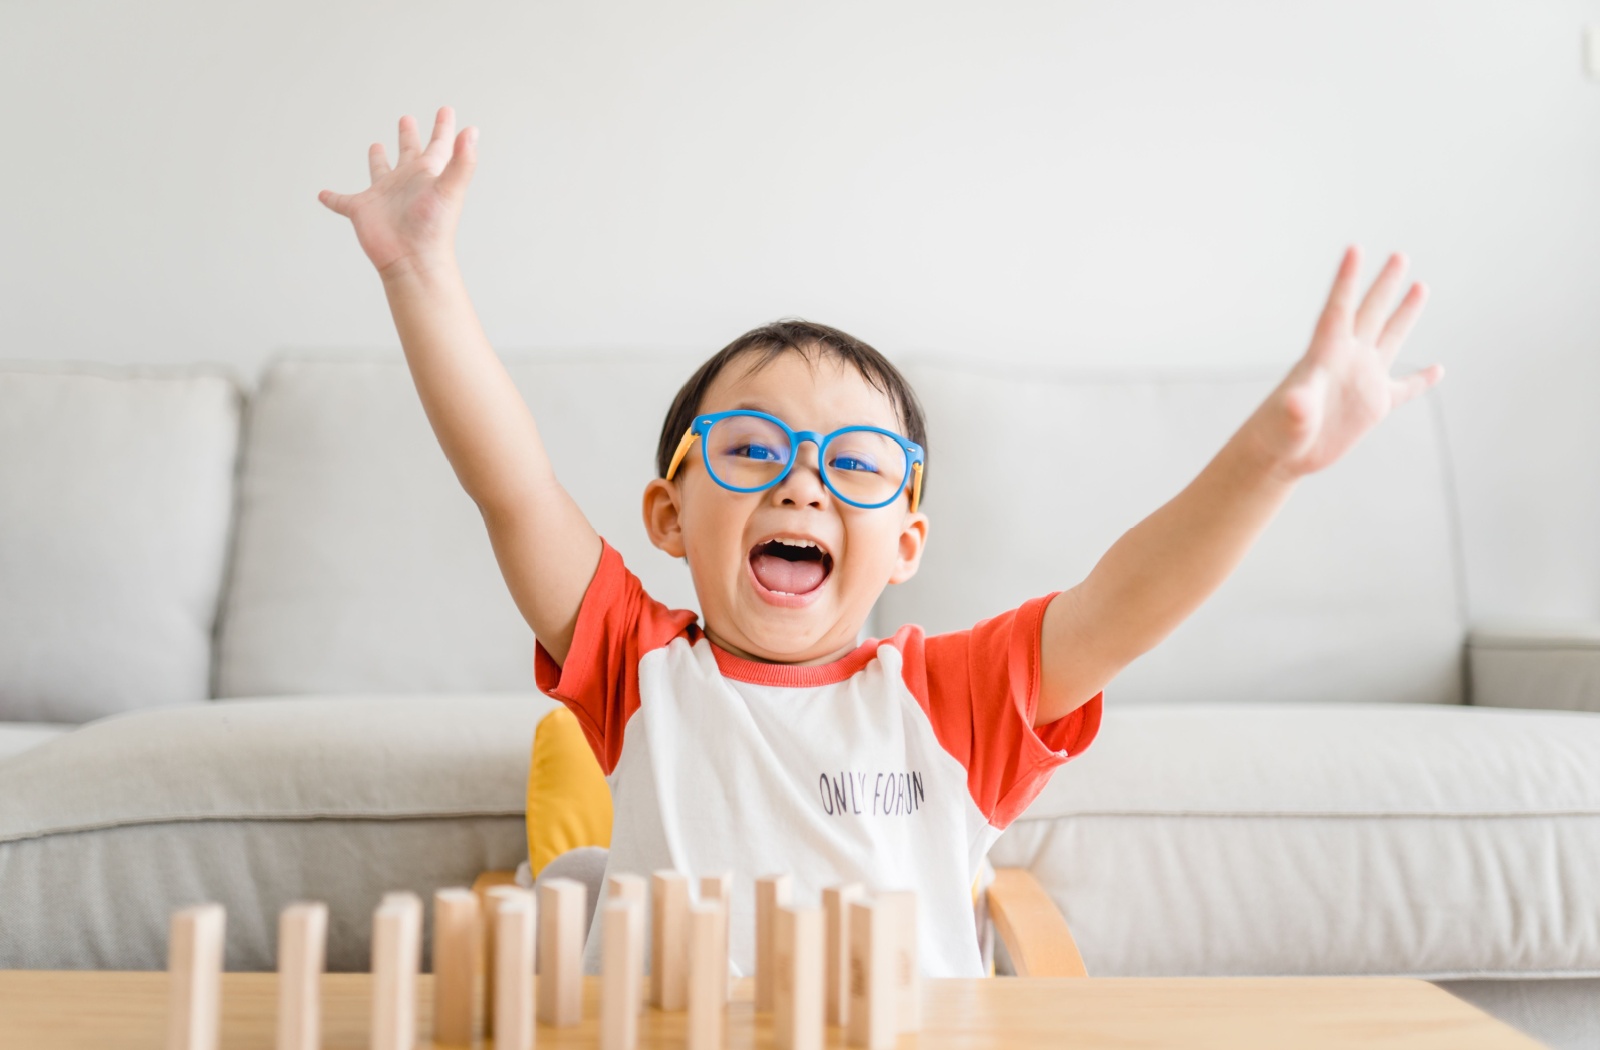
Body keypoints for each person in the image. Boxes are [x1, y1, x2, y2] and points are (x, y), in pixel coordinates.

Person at [319, 107, 1441, 976]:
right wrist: (420, 274)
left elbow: (1124, 602)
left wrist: (1268, 460)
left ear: (904, 543)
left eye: (852, 466)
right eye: (754, 450)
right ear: (668, 516)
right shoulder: (639, 666)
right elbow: (514, 491)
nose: (804, 486)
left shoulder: (949, 702)